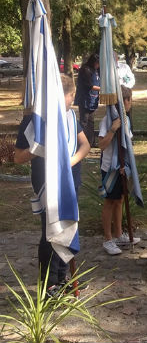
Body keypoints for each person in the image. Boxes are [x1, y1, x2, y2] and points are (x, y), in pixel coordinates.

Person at [14, 75, 91, 295]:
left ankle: (62, 276)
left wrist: (69, 162)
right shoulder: (35, 120)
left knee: (66, 227)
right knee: (51, 233)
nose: (72, 101)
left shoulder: (68, 116)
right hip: (47, 182)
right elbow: (18, 157)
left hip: (69, 180)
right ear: (58, 95)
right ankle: (48, 283)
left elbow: (85, 145)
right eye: (70, 96)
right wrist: (40, 149)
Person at [98, 86, 140, 255]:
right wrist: (113, 129)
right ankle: (108, 239)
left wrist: (127, 166)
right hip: (110, 168)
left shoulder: (126, 120)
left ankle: (118, 234)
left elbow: (127, 144)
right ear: (125, 101)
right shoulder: (107, 121)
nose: (131, 104)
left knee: (120, 200)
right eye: (130, 100)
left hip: (123, 167)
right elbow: (101, 145)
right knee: (110, 202)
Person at [75, 53, 100, 147]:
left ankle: (91, 142)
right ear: (94, 62)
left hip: (93, 99)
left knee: (91, 121)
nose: (98, 66)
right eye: (98, 63)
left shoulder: (95, 70)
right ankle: (83, 142)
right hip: (84, 99)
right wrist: (102, 89)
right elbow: (89, 85)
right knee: (84, 121)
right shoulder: (85, 70)